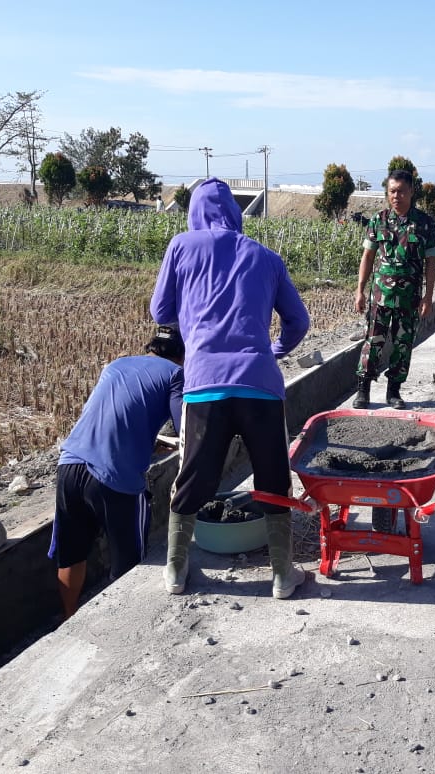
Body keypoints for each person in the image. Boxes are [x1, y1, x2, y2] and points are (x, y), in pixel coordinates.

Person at [150, 177, 311, 599]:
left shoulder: (181, 246)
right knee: (273, 477)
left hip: (205, 384)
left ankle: (175, 571)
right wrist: (272, 351)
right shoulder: (266, 257)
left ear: (194, 213)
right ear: (237, 216)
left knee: (191, 477)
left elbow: (160, 311)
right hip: (260, 384)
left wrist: (194, 318)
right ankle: (282, 575)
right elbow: (298, 322)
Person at [49, 325, 185, 620]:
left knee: (72, 553)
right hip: (114, 478)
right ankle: (120, 624)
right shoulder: (176, 374)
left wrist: (149, 443)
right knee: (131, 563)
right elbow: (184, 426)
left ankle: (69, 619)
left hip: (69, 466)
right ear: (183, 354)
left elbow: (112, 418)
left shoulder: (116, 365)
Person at [353, 169, 435, 410]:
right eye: (392, 191)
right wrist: (360, 290)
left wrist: (428, 296)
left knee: (403, 345)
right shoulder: (378, 220)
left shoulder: (425, 224)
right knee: (373, 341)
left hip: (409, 299)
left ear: (411, 192)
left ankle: (394, 391)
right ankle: (363, 389)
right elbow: (367, 257)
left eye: (401, 191)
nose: (396, 196)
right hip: (380, 296)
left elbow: (431, 263)